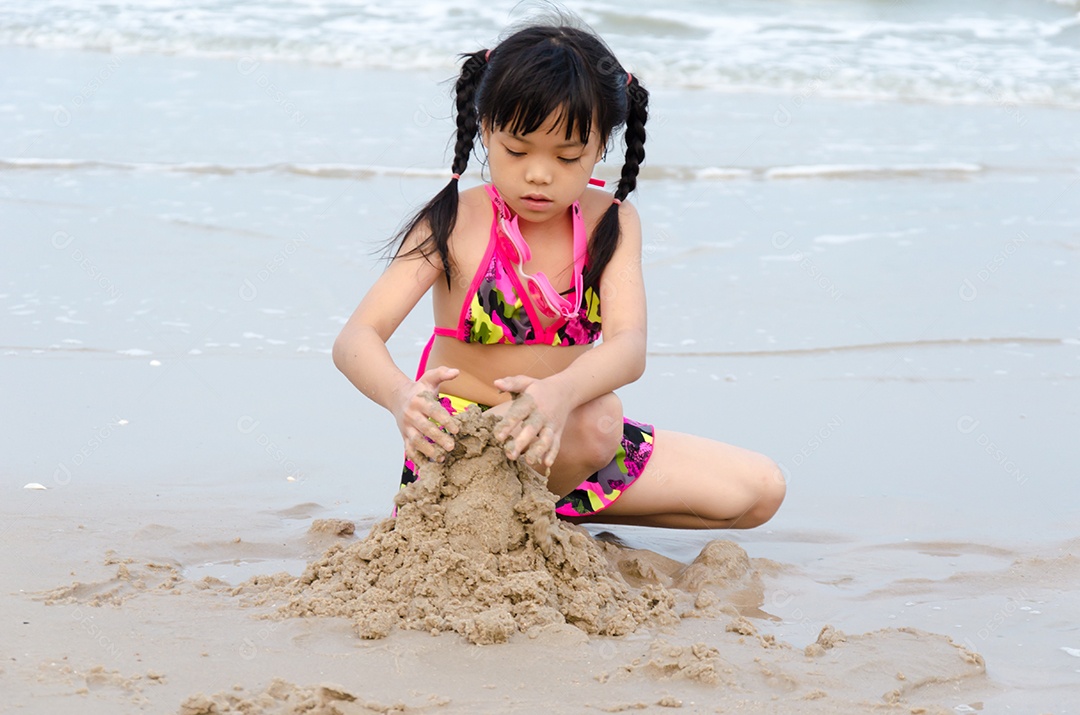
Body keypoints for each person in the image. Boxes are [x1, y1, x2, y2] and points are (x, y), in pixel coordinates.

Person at [333, 22, 785, 529]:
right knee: (600, 421)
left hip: (563, 435)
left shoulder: (610, 222)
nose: (539, 175)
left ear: (600, 148)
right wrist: (400, 395)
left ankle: (547, 520)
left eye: (567, 156)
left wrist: (559, 394)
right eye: (518, 151)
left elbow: (628, 345)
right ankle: (500, 520)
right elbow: (356, 338)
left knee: (760, 491)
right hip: (465, 452)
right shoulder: (454, 221)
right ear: (486, 131)